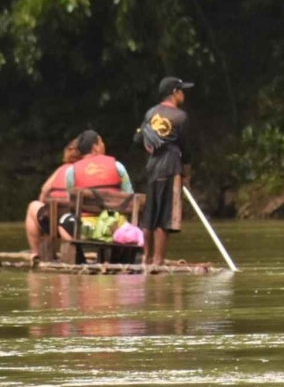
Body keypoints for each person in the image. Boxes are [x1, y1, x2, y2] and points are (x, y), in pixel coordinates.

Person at [24, 129, 133, 257]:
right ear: (96, 147)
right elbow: (130, 196)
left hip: (83, 230)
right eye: (102, 142)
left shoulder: (72, 171)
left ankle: (70, 257)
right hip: (115, 228)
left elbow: (72, 202)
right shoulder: (118, 166)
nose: (104, 144)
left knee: (63, 222)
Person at [140, 77, 195, 266]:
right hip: (171, 167)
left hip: (153, 167)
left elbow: (142, 141)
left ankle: (146, 259)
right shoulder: (180, 116)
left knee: (150, 215)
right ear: (174, 93)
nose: (183, 94)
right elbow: (186, 151)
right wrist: (187, 175)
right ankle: (158, 261)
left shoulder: (150, 114)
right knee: (164, 218)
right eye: (181, 90)